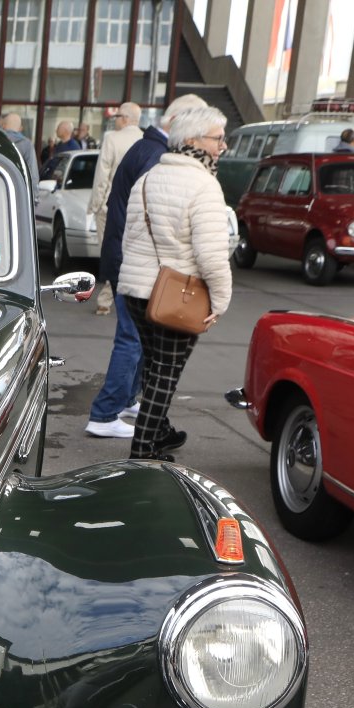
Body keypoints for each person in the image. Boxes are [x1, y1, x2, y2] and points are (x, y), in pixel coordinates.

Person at [85, 92, 206, 439]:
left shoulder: (148, 148)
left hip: (127, 256)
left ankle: (124, 401)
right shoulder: (155, 154)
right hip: (135, 261)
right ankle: (105, 413)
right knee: (132, 338)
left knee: (138, 337)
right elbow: (158, 216)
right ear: (180, 124)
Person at [118, 106, 233, 462]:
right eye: (218, 138)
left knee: (154, 366)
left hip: (137, 291)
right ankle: (143, 451)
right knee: (165, 373)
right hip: (176, 296)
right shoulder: (204, 185)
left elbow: (128, 238)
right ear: (194, 140)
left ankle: (159, 431)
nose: (223, 146)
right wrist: (221, 300)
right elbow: (211, 255)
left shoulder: (148, 178)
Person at [89, 102, 145, 315]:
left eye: (117, 117)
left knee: (109, 252)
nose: (115, 121)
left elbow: (102, 175)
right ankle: (120, 299)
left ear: (125, 119)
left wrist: (95, 204)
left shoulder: (112, 139)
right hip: (136, 207)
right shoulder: (145, 141)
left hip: (110, 206)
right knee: (130, 254)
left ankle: (107, 299)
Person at [0, 111, 39, 193]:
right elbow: (32, 175)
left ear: (3, 125)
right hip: (18, 192)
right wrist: (34, 195)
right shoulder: (27, 144)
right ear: (20, 128)